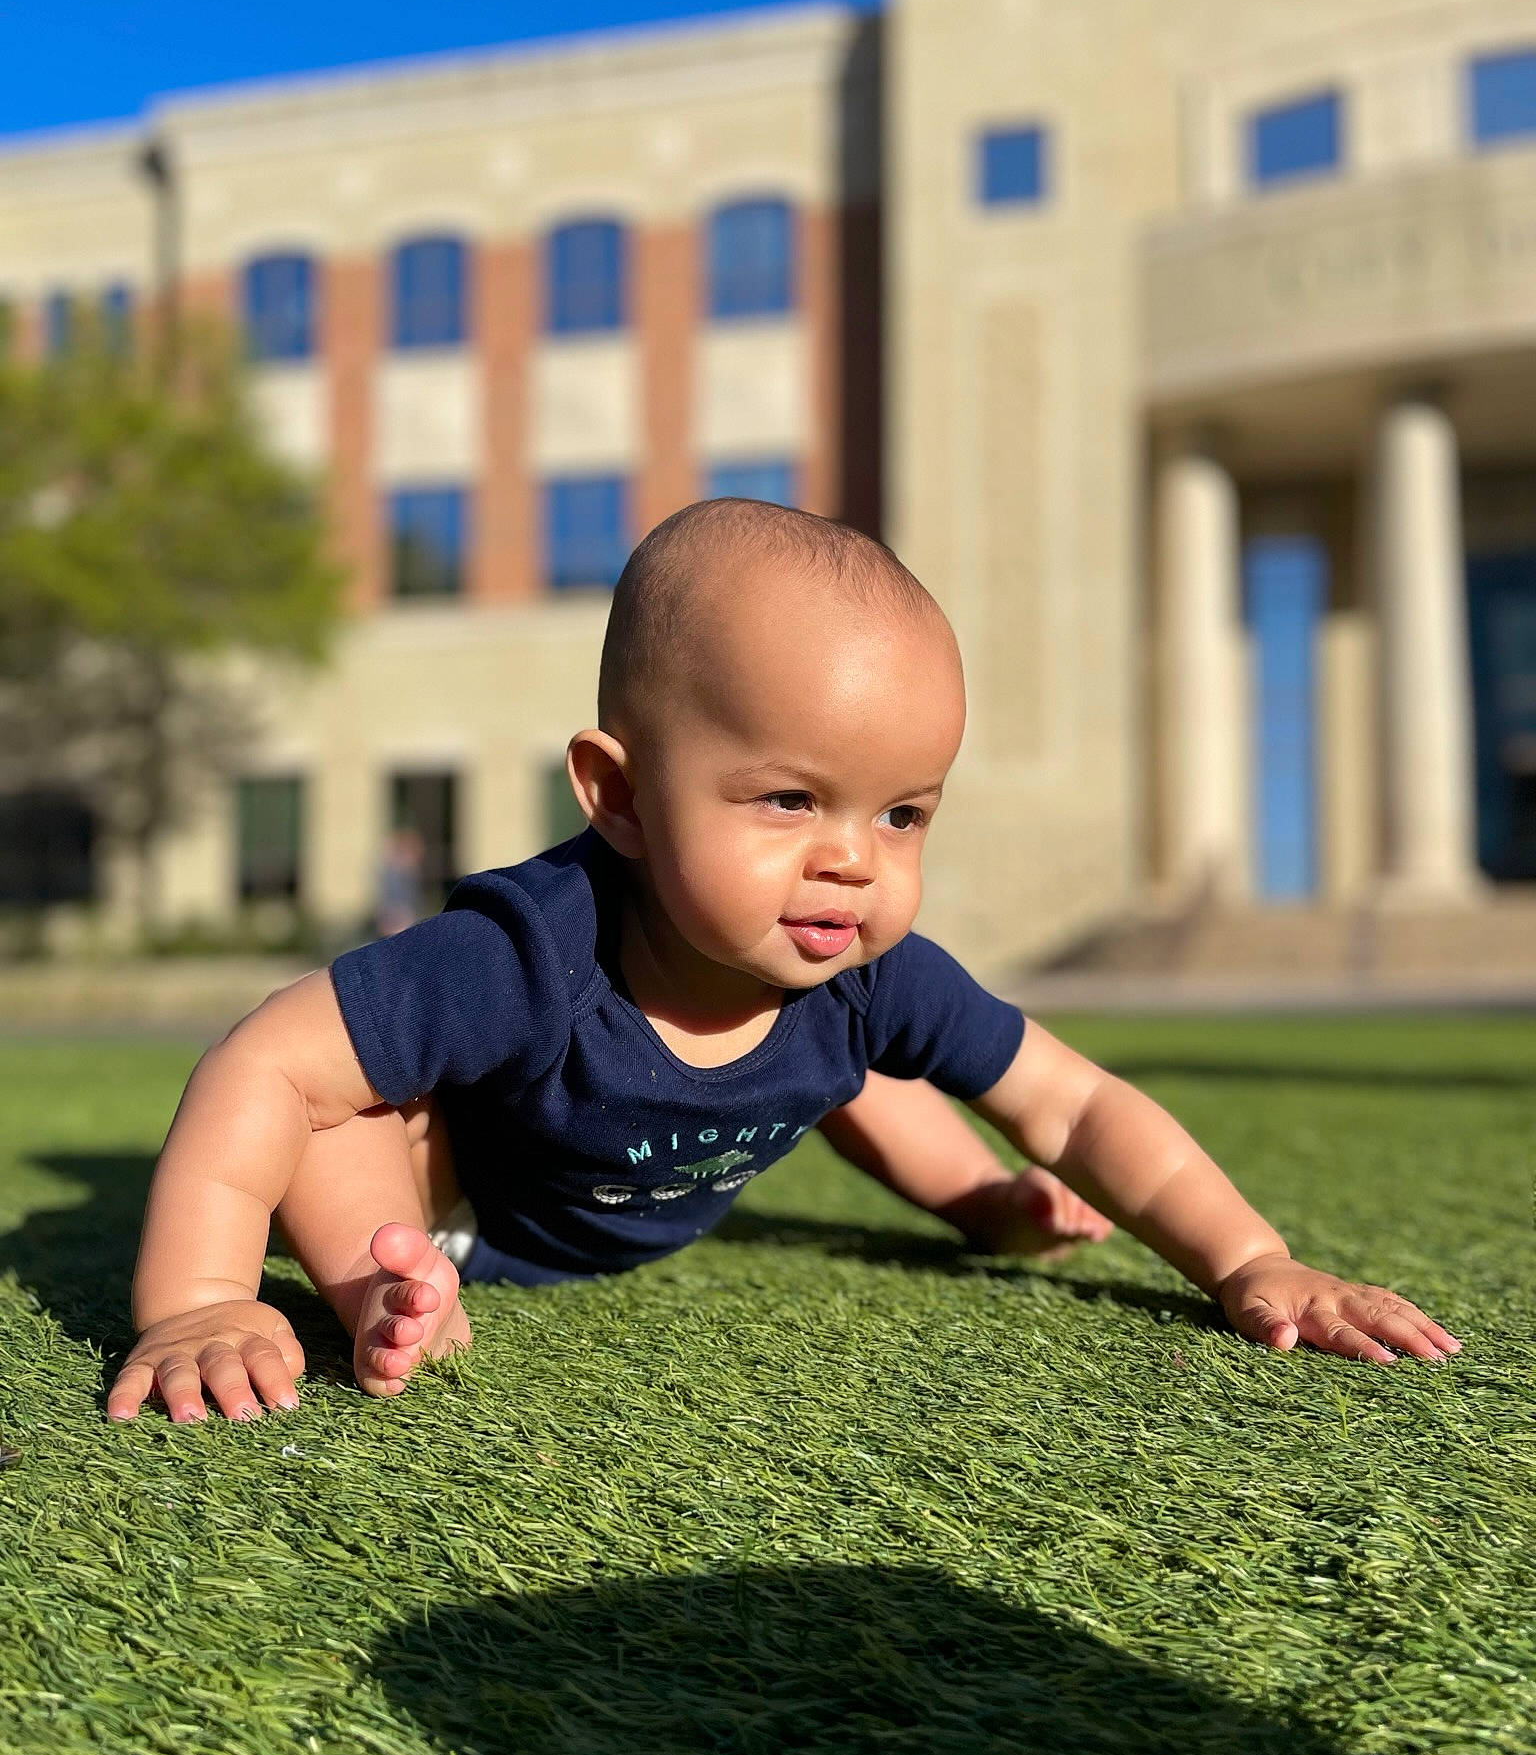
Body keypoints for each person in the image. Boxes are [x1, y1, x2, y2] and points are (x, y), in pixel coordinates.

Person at [107, 501, 1459, 1423]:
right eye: (788, 801)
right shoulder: (524, 954)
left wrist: (1248, 1260)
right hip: (462, 1197)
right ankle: (387, 1293)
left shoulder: (863, 964)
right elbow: (265, 1064)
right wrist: (201, 1302)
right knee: (355, 1108)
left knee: (842, 1050)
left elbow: (1078, 1105)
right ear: (620, 798)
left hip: (662, 1175)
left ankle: (974, 1204)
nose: (854, 861)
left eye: (902, 813)